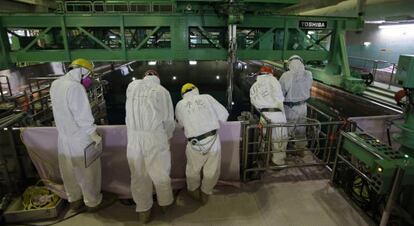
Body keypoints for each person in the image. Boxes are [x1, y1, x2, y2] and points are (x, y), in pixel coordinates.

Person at [50, 58, 104, 211]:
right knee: (88, 173)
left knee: (68, 172)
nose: (89, 80)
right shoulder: (75, 88)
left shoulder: (56, 84)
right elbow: (83, 117)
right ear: (83, 71)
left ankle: (74, 199)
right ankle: (92, 202)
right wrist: (94, 135)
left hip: (63, 138)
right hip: (80, 139)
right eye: (89, 76)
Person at [125, 69, 175, 223]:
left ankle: (143, 210)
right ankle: (165, 204)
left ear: (144, 77)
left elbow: (127, 114)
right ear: (157, 78)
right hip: (154, 136)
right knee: (160, 173)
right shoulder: (162, 91)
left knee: (138, 175)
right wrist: (167, 137)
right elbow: (168, 120)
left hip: (134, 138)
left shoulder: (131, 87)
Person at [175, 83, 229, 204]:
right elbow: (224, 114)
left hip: (194, 143)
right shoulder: (207, 97)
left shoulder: (180, 104)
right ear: (196, 89)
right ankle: (206, 192)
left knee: (193, 170)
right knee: (212, 169)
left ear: (183, 94)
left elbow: (180, 124)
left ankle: (193, 191)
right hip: (213, 140)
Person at [250, 66, 288, 165]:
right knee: (279, 138)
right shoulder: (274, 81)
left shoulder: (254, 85)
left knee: (263, 136)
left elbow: (253, 102)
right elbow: (280, 97)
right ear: (271, 73)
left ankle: (263, 155)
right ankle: (278, 161)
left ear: (260, 74)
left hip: (264, 115)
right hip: (278, 114)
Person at [279, 55, 313, 156]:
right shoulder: (308, 74)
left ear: (290, 64)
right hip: (303, 106)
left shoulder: (286, 75)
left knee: (287, 129)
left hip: (290, 107)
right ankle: (301, 149)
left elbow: (280, 91)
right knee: (301, 129)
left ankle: (282, 153)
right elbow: (309, 86)